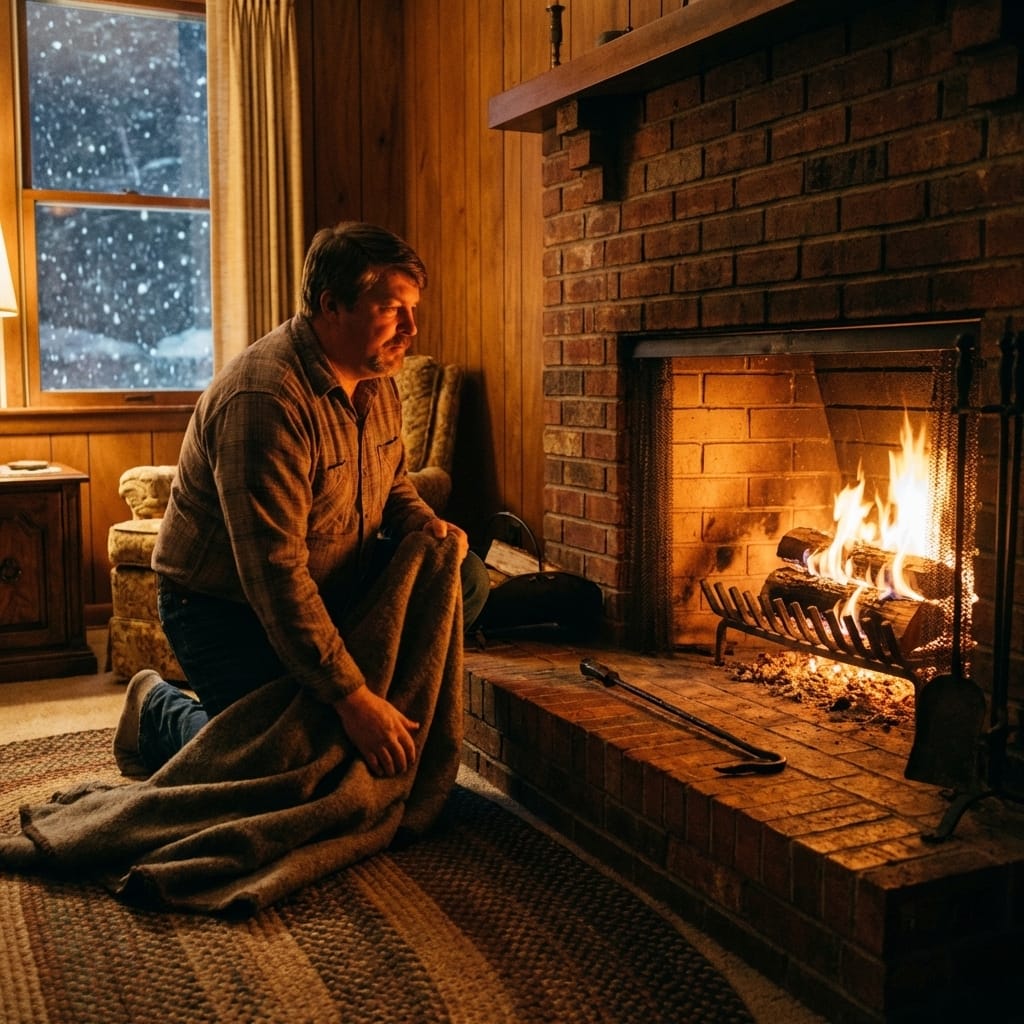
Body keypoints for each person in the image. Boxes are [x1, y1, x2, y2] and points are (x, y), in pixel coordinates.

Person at [113, 221, 489, 781]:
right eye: (392, 308)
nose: (412, 327)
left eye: (413, 308)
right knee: (285, 768)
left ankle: (342, 704)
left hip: (334, 579)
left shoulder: (378, 375)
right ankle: (156, 711)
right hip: (223, 608)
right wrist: (354, 699)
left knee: (464, 575)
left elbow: (392, 484)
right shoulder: (266, 400)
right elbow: (276, 577)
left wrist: (426, 524)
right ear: (331, 305)